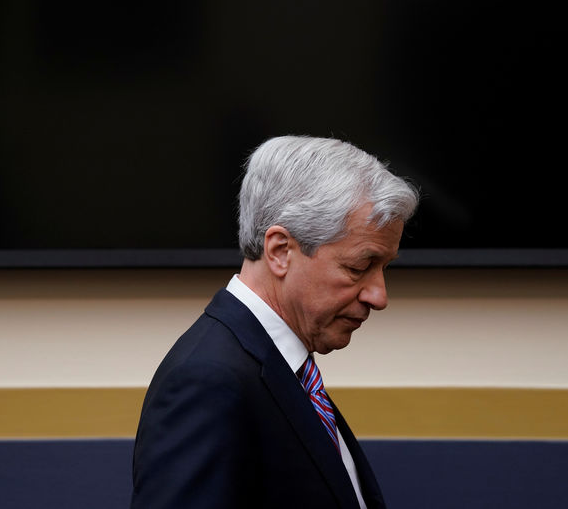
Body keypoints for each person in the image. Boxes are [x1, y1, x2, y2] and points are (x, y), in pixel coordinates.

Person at [131, 136, 419, 509]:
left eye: (384, 268)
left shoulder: (281, 364)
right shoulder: (207, 380)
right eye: (359, 267)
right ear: (280, 251)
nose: (379, 296)